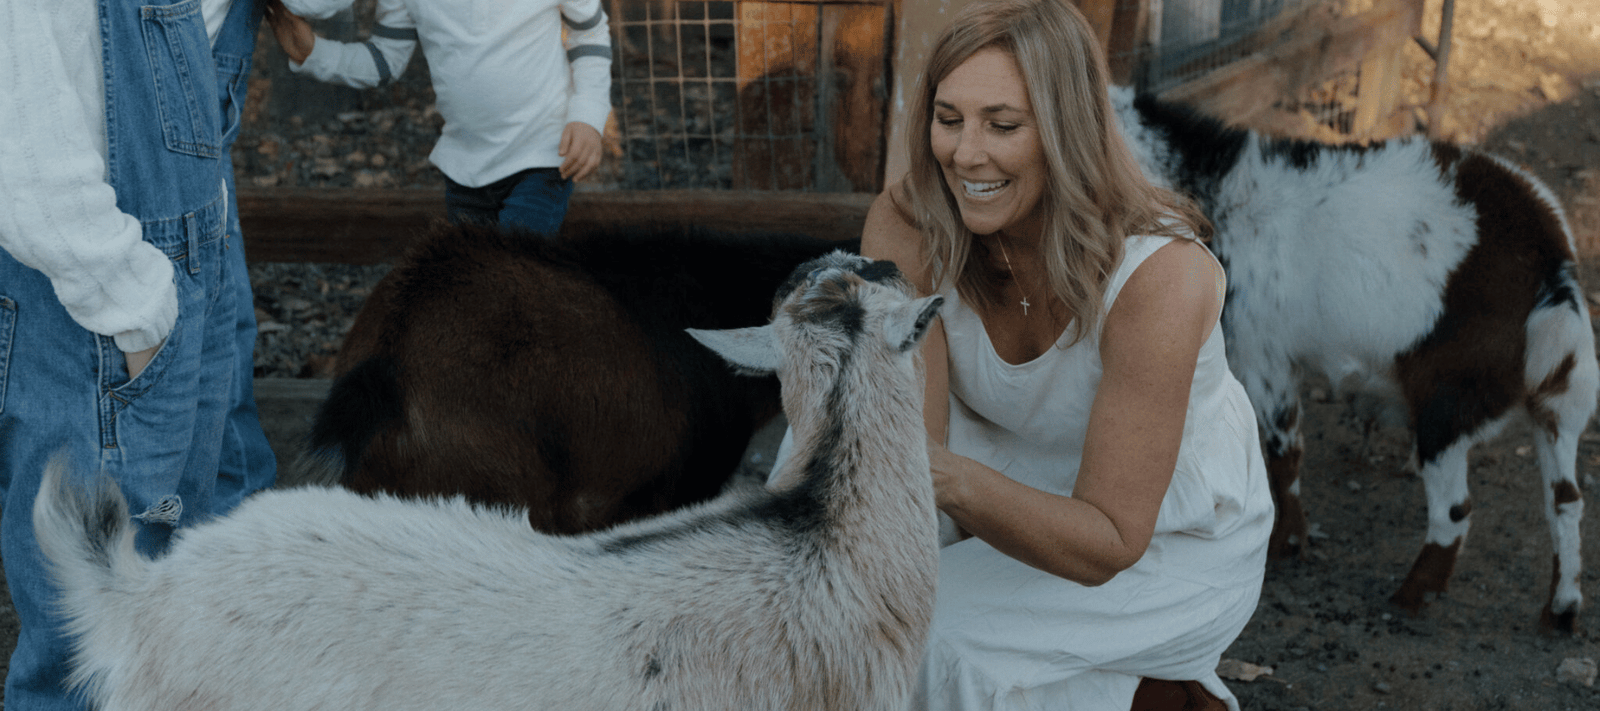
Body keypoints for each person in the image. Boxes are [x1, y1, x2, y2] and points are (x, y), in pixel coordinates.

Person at [858, 0, 1273, 708]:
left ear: (1066, 130)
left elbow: (1109, 539)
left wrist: (937, 479)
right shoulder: (909, 223)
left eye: (1003, 125)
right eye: (949, 119)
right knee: (850, 601)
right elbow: (914, 454)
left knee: (937, 638)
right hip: (1000, 467)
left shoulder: (1161, 276)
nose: (966, 155)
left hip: (1163, 536)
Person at [0, 0, 280, 708]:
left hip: (174, 281)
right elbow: (22, 147)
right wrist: (137, 306)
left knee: (169, 613)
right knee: (85, 664)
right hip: (100, 313)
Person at [263, 0, 612, 235]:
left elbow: (590, 32)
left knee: (510, 280)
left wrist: (588, 115)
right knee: (470, 290)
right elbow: (385, 60)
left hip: (542, 155)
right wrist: (314, 53)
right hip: (464, 168)